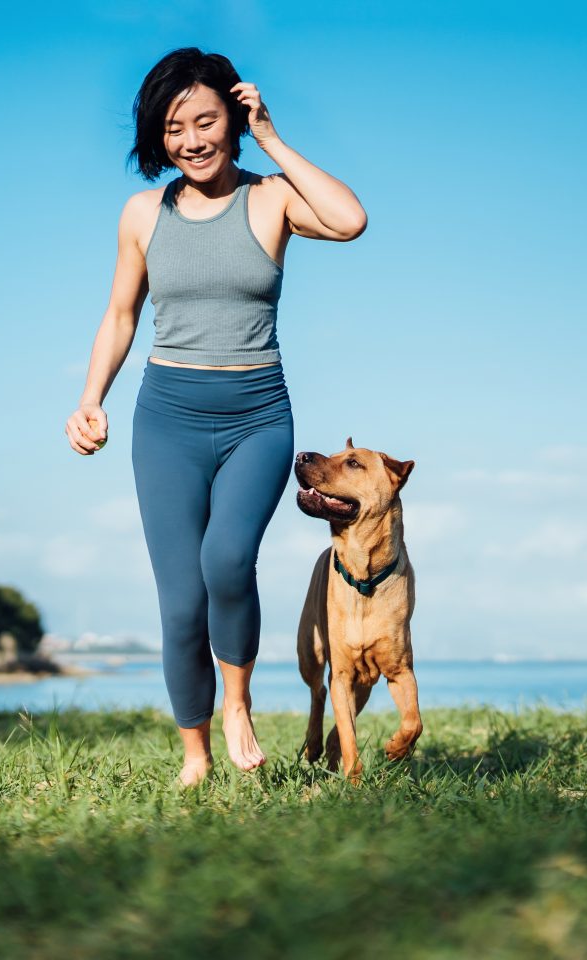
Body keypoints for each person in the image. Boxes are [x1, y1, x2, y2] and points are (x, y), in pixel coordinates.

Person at [64, 47, 367, 786]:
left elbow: (350, 219)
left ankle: (238, 705)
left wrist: (273, 138)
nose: (192, 139)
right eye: (174, 127)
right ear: (156, 136)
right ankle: (195, 755)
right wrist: (89, 400)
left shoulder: (272, 199)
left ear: (232, 117)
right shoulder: (143, 213)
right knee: (180, 602)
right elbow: (119, 315)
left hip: (257, 415)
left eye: (205, 120)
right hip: (166, 416)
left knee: (227, 560)